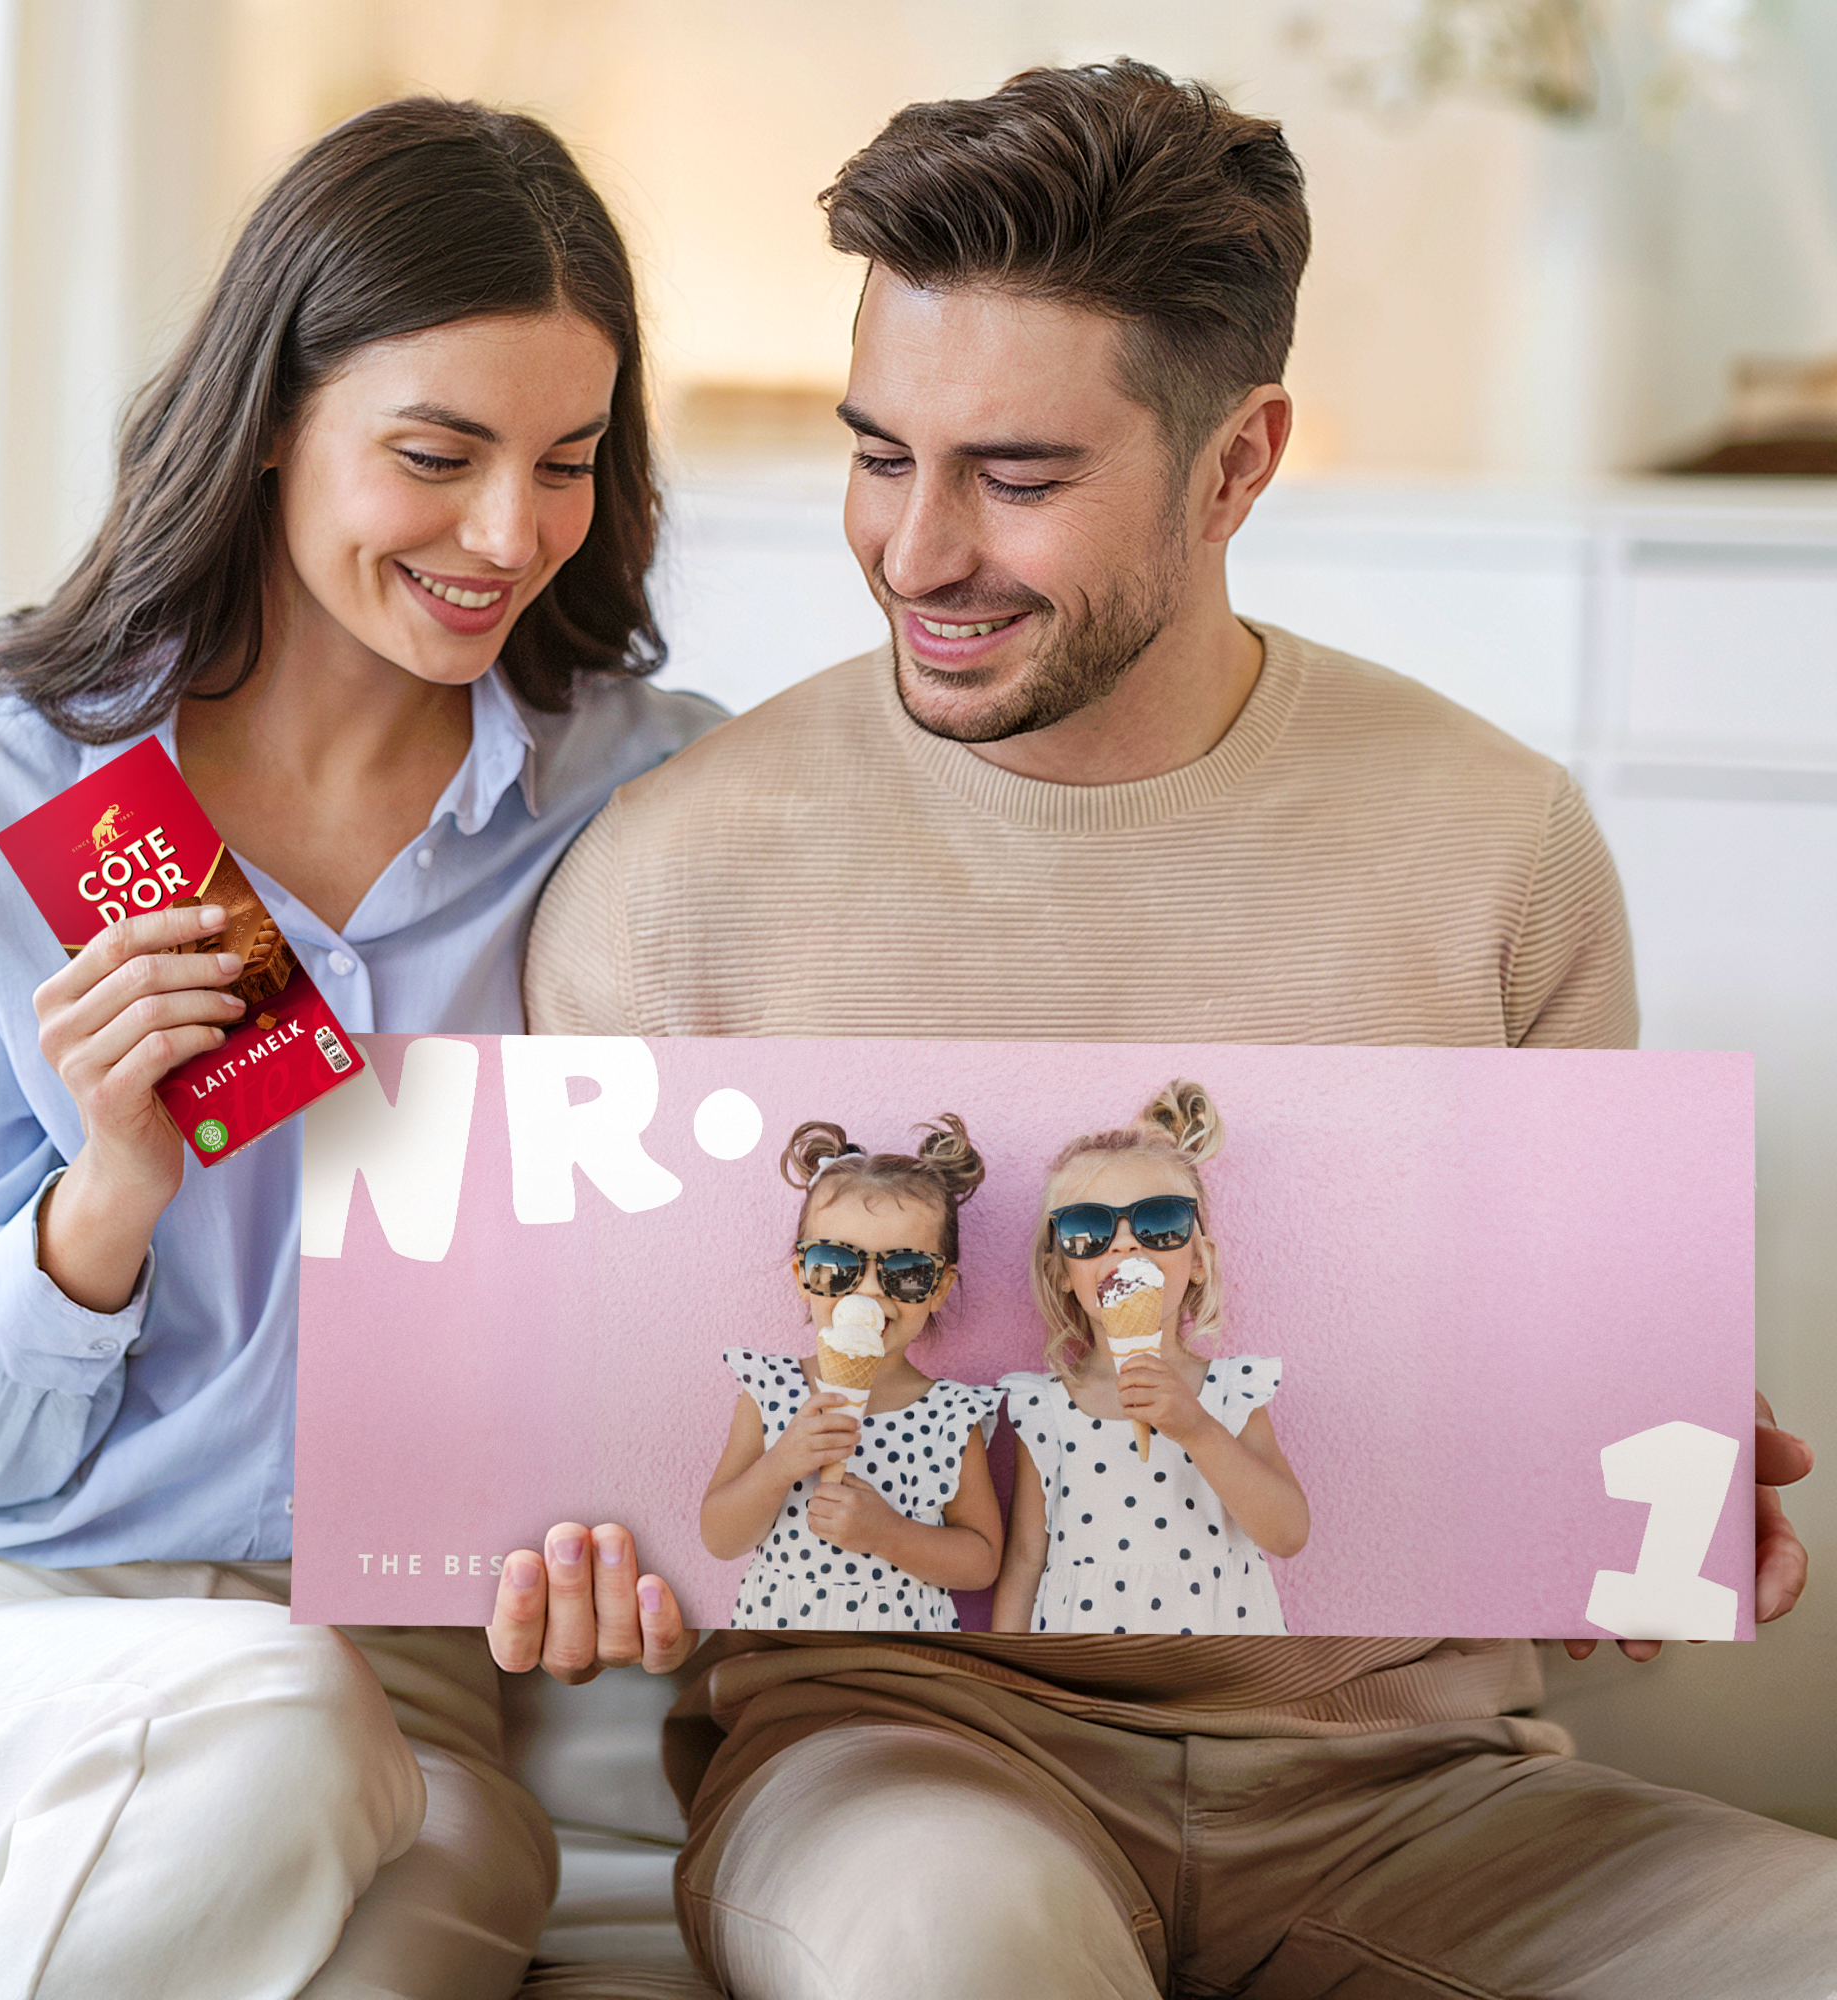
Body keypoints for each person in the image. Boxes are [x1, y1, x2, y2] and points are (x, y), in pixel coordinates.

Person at [495, 61, 1831, 2000]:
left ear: (1236, 464)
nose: (915, 550)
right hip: (908, 1768)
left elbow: (1561, 1428)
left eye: (1018, 478)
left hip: (1417, 1796)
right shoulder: (669, 874)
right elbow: (614, 1466)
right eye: (879, 453)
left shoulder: (1497, 842)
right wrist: (575, 1552)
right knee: (955, 1953)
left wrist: (1640, 1475)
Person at [0, 99, 719, 1999]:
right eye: (437, 454)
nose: (509, 534)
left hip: (401, 1668)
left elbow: (713, 1281)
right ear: (268, 422)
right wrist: (108, 1192)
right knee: (280, 1728)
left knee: (439, 1891)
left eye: (567, 464)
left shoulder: (652, 805)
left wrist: (640, 1504)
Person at [994, 1080, 1307, 1637]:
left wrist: (1197, 1428)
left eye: (1159, 1223)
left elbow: (1287, 1534)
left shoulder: (1230, 1392)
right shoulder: (1044, 1408)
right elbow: (1024, 1561)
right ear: (1061, 1273)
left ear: (1199, 1261)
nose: (1125, 1245)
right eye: (1087, 1229)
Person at [702, 1116, 1004, 1633]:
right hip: (783, 1639)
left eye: (905, 1271)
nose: (867, 1289)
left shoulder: (951, 1415)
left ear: (939, 1287)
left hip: (904, 1651)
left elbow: (982, 1561)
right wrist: (780, 1465)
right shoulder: (771, 1391)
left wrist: (888, 1534)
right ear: (803, 1276)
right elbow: (720, 1537)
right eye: (836, 1265)